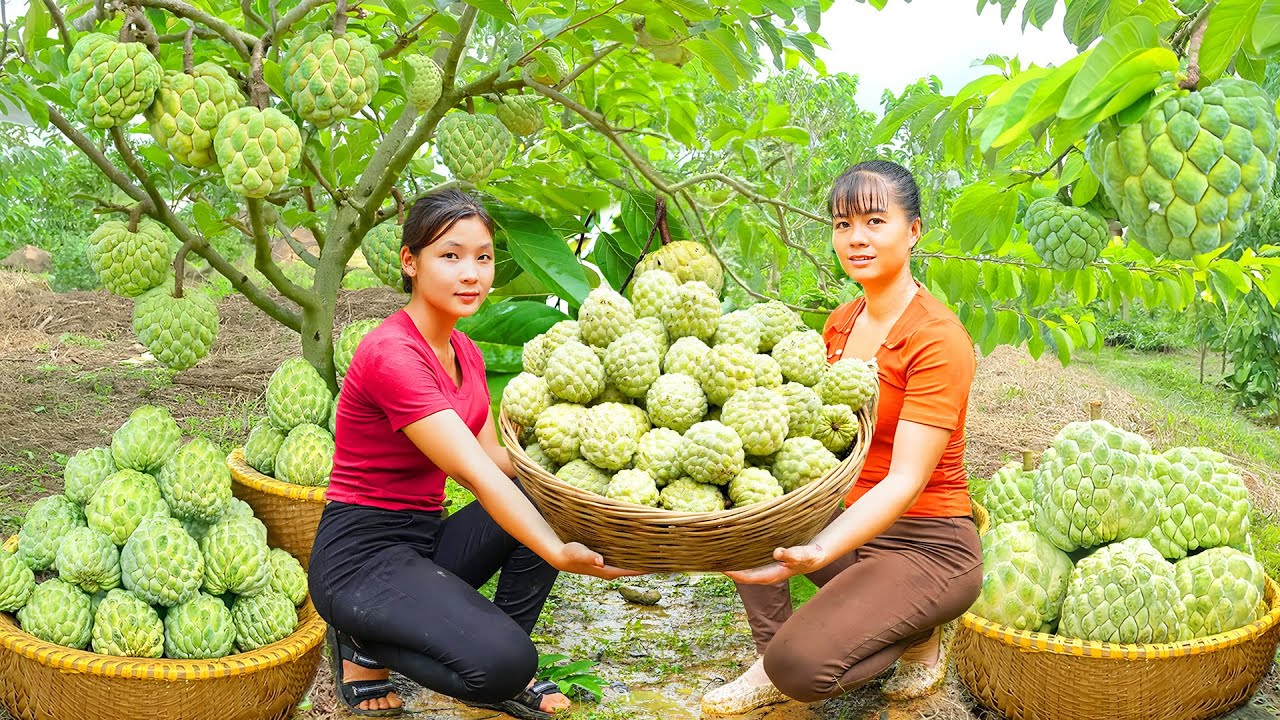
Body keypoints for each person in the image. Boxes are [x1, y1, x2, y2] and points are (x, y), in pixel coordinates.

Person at [309, 189, 635, 719]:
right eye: (450, 255)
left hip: (425, 541)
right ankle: (361, 638)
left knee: (544, 494)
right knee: (499, 666)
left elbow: (499, 457)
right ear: (410, 261)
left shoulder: (465, 351)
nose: (472, 274)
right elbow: (478, 473)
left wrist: (585, 458)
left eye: (483, 257)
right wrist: (557, 551)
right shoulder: (392, 354)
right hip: (361, 559)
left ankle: (500, 648)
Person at [702, 160, 983, 715]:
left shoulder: (937, 338)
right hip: (850, 523)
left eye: (875, 221)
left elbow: (904, 480)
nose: (856, 238)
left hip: (928, 543)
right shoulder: (840, 323)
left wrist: (820, 549)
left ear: (914, 230)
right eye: (841, 224)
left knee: (803, 669)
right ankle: (771, 657)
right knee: (746, 508)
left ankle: (918, 628)